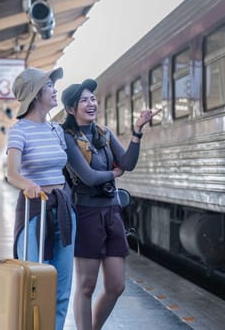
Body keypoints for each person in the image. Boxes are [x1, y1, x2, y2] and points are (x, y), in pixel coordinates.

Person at [60, 78, 160, 330]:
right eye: (83, 100)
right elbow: (89, 177)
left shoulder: (104, 133)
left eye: (92, 98)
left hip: (111, 213)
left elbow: (127, 163)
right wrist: (114, 175)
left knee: (116, 285)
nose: (91, 103)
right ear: (71, 109)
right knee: (86, 285)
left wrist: (137, 131)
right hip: (86, 214)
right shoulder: (68, 138)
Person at [6, 67, 76, 330]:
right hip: (34, 209)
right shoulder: (19, 131)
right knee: (34, 282)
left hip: (63, 208)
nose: (55, 89)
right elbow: (12, 173)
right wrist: (29, 185)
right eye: (49, 85)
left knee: (62, 282)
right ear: (36, 95)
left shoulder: (56, 130)